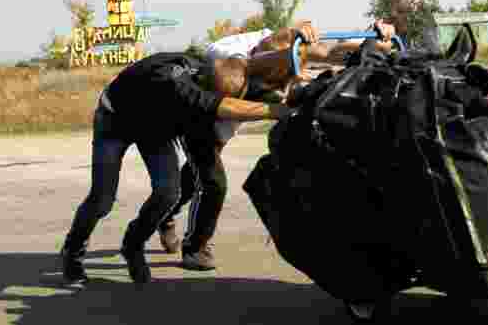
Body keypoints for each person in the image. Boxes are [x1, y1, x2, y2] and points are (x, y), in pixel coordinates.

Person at [154, 20, 398, 269]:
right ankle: (195, 248)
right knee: (212, 182)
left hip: (238, 105)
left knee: (194, 174)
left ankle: (166, 215)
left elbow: (333, 52)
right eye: (274, 76)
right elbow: (232, 102)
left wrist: (375, 40)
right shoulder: (224, 55)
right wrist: (276, 106)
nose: (280, 82)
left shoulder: (293, 46)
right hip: (204, 113)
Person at [60, 50, 293, 286]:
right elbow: (224, 106)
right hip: (115, 121)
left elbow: (249, 90)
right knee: (102, 199)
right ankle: (73, 253)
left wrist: (296, 100)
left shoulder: (214, 69)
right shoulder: (177, 86)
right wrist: (278, 112)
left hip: (156, 128)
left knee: (168, 194)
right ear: (203, 85)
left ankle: (133, 245)